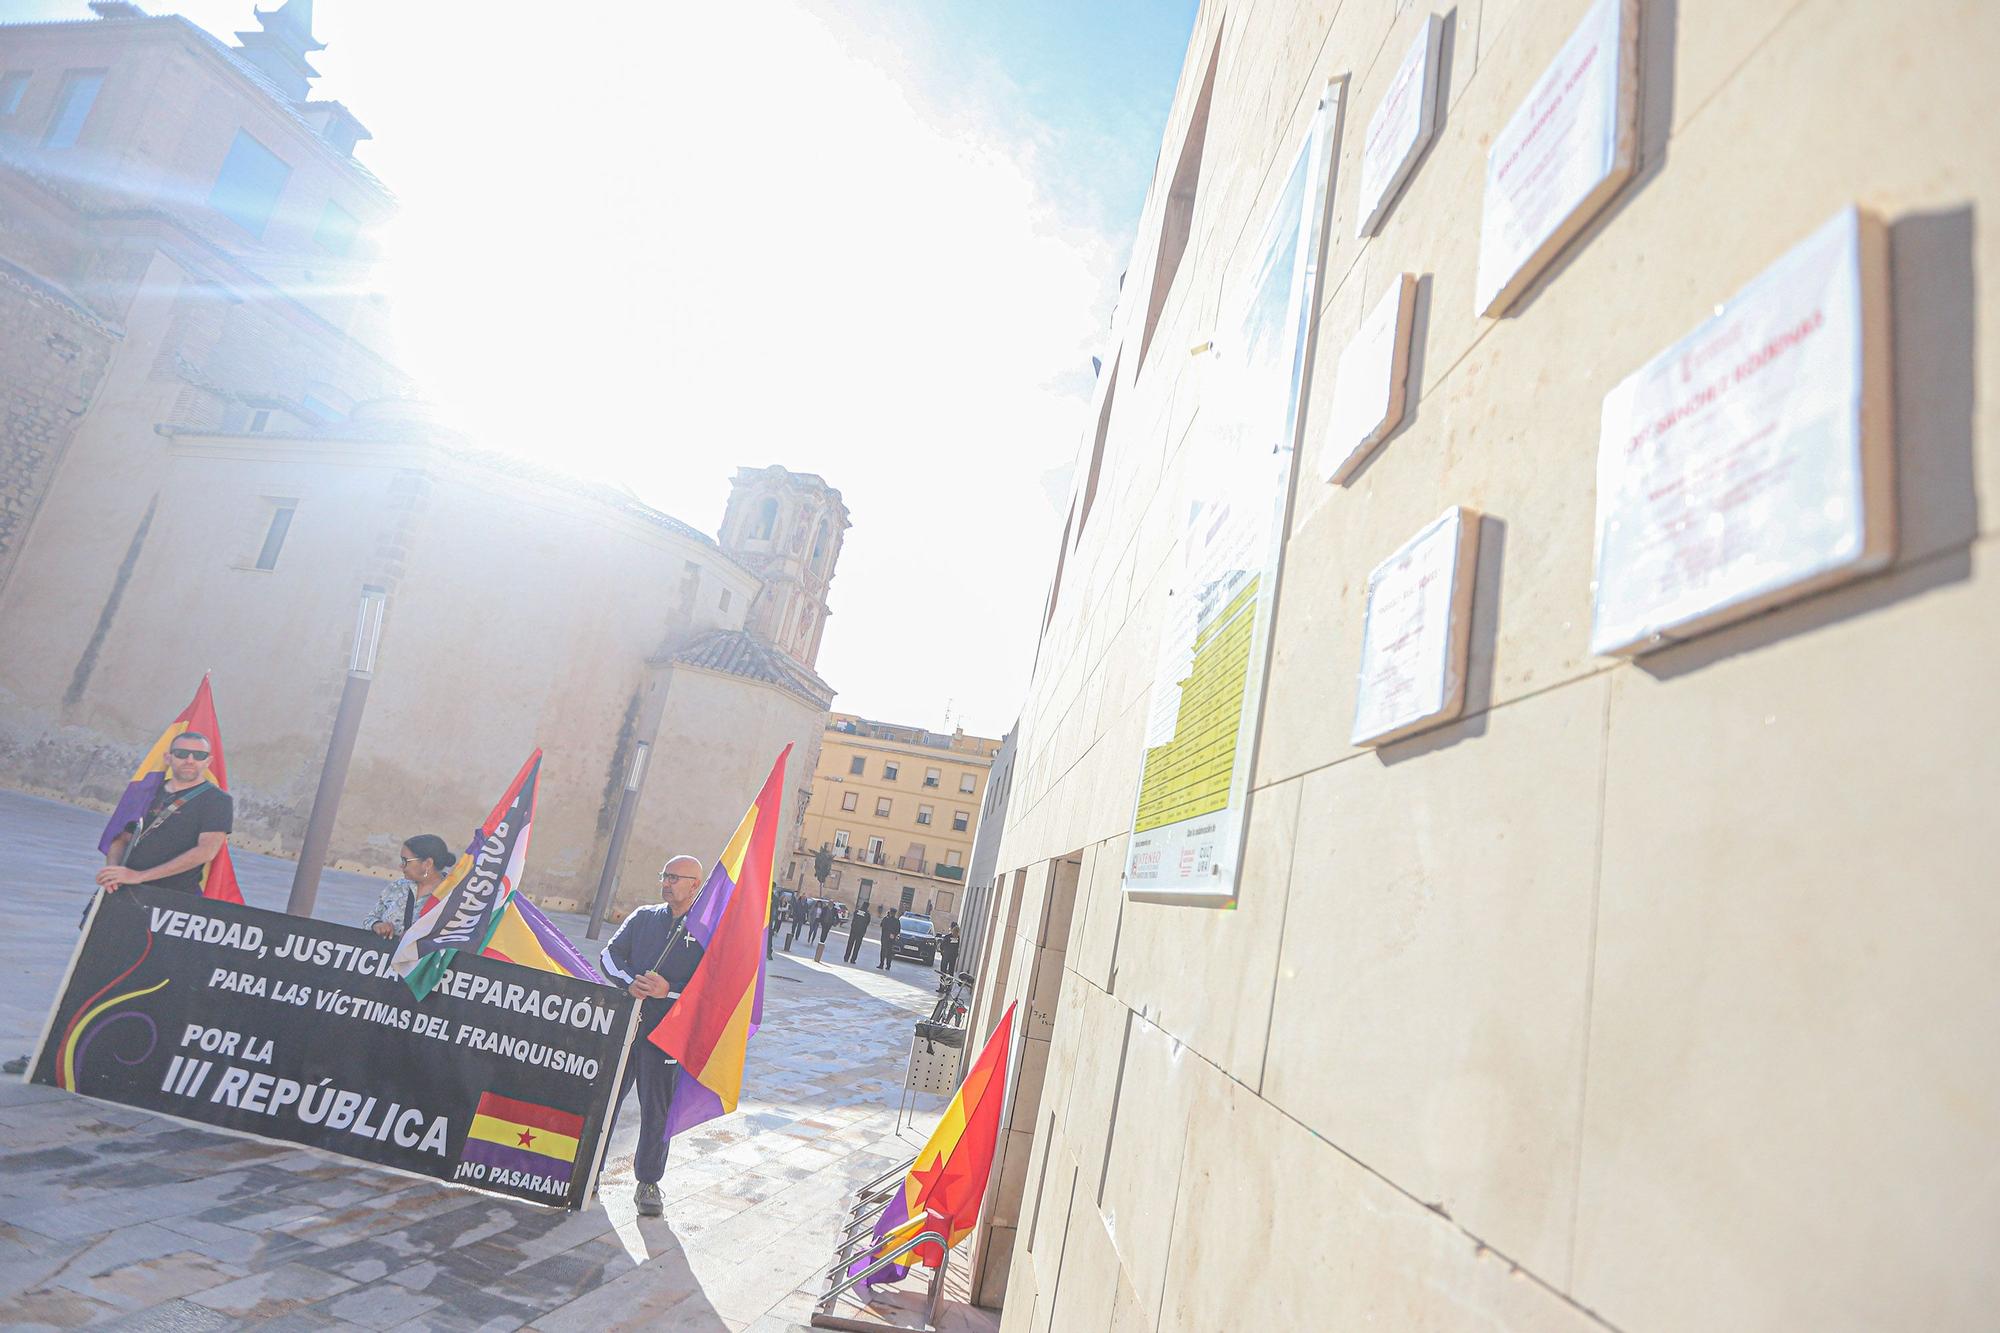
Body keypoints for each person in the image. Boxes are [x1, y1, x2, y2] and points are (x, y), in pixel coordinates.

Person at [599, 855, 706, 1218]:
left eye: (675, 877)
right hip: (627, 1026)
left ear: (695, 885)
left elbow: (708, 988)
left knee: (656, 1111)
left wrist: (669, 991)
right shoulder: (643, 917)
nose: (667, 882)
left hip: (666, 1035)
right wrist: (631, 983)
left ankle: (648, 1181)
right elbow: (609, 955)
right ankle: (590, 1168)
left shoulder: (706, 932)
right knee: (605, 1099)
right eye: (665, 874)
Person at [96, 731, 231, 897]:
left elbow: (206, 851)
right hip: (124, 888)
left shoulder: (217, 800)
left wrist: (139, 877)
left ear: (208, 761)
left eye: (199, 755)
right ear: (168, 758)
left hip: (173, 897)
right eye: (181, 754)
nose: (190, 760)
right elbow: (122, 838)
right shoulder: (146, 792)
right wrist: (113, 873)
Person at [364, 834, 454, 938]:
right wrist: (376, 925)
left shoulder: (452, 896)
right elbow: (370, 918)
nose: (401, 865)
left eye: (405, 861)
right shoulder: (397, 887)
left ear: (428, 863)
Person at [876, 906, 901, 971]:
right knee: (890, 952)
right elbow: (898, 930)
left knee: (883, 951)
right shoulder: (897, 921)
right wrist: (894, 934)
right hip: (891, 939)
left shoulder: (886, 919)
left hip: (885, 937)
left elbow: (881, 925)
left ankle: (881, 964)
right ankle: (888, 966)